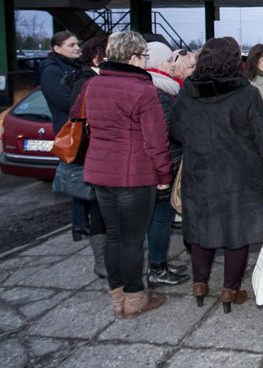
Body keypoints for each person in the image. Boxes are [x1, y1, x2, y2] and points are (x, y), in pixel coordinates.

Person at [73, 31, 172, 319]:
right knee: (132, 240)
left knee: (114, 236)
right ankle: (134, 298)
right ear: (131, 58)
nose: (145, 61)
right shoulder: (144, 90)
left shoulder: (92, 85)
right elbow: (156, 140)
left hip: (99, 172)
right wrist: (163, 174)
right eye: (143, 56)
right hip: (133, 176)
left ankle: (117, 298)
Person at [172, 38, 263, 313]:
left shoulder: (187, 92)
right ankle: (230, 290)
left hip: (200, 171)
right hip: (239, 175)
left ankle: (199, 284)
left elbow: (177, 132)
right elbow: (262, 139)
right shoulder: (247, 93)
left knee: (201, 230)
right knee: (236, 234)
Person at [144, 42, 190, 287]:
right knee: (161, 217)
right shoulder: (160, 91)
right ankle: (157, 267)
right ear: (159, 63)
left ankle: (158, 262)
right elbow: (170, 130)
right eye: (169, 61)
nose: (173, 65)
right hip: (165, 163)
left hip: (163, 161)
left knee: (159, 217)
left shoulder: (162, 88)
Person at [65, 36, 108, 278]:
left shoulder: (95, 79)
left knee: (103, 208)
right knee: (98, 209)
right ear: (97, 57)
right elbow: (78, 119)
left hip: (100, 155)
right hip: (94, 155)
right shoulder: (86, 81)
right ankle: (100, 261)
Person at [40, 31, 87, 241]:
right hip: (69, 131)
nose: (77, 47)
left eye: (77, 43)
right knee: (76, 176)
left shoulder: (75, 67)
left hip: (80, 128)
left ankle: (84, 223)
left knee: (84, 175)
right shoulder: (52, 71)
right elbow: (67, 103)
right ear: (56, 49)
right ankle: (80, 225)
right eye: (71, 45)